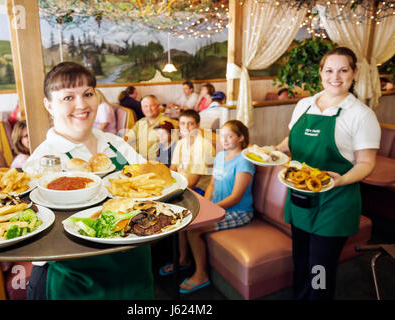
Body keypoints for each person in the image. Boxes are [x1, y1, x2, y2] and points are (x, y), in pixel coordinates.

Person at [24, 61, 153, 300]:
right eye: (68, 97)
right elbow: (37, 244)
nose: (82, 105)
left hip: (134, 272)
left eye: (88, 94)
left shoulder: (117, 144)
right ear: (49, 105)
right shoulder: (41, 162)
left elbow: (153, 188)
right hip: (75, 283)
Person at [275, 47, 381, 300]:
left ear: (354, 73)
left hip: (335, 203)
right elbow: (291, 140)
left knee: (319, 267)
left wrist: (342, 179)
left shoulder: (361, 115)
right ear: (321, 73)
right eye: (329, 70)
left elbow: (367, 163)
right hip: (300, 199)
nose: (336, 76)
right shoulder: (304, 105)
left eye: (343, 70)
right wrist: (275, 150)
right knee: (301, 260)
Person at [160, 120, 255, 294]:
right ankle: (183, 259)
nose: (224, 140)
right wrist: (207, 204)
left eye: (230, 136)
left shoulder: (244, 162)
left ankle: (201, 274)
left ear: (241, 138)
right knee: (183, 220)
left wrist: (212, 210)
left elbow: (235, 197)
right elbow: (212, 185)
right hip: (217, 208)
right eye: (222, 136)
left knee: (193, 230)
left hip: (239, 212)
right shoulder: (220, 156)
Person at [170, 109, 215, 195]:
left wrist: (172, 192)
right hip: (182, 183)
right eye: (182, 123)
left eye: (190, 123)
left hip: (199, 189)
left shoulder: (203, 146)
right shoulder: (180, 142)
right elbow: (173, 168)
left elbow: (192, 183)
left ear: (198, 125)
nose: (186, 127)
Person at [124, 95, 178, 161]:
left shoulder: (167, 124)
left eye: (152, 105)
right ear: (142, 109)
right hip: (137, 160)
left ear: (158, 107)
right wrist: (122, 141)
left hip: (155, 164)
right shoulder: (140, 122)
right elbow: (129, 136)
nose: (149, 109)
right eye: (145, 106)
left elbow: (174, 148)